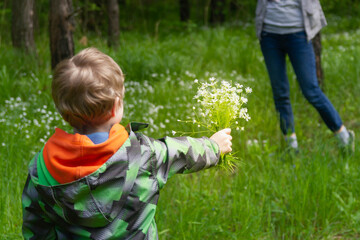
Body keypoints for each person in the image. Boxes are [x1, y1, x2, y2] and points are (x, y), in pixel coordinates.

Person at [22, 47, 233, 239]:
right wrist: (215, 146)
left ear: (64, 114)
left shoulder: (42, 168)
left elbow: (36, 223)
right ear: (115, 107)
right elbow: (181, 151)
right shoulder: (143, 154)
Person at [255, 0, 355, 152]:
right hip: (269, 34)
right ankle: (291, 147)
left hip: (299, 33)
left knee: (311, 90)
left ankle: (344, 137)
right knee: (280, 92)